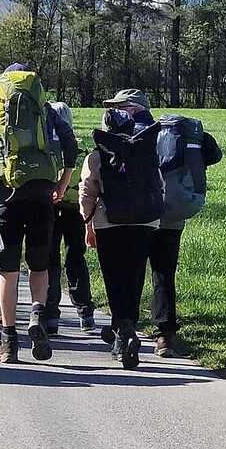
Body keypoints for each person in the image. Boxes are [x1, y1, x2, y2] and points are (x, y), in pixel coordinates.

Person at [100, 88, 223, 357]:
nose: (111, 110)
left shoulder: (129, 131)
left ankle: (123, 328)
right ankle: (165, 336)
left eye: (118, 106)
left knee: (131, 272)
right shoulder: (175, 132)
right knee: (164, 273)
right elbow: (213, 155)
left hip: (141, 217)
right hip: (172, 214)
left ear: (132, 107)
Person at [0, 65, 77, 365]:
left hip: (5, 193)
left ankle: (8, 341)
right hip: (42, 192)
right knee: (39, 265)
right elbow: (71, 144)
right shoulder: (43, 105)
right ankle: (37, 313)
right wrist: (63, 182)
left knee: (8, 270)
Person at [80, 107, 163, 368]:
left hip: (109, 224)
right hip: (145, 223)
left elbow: (86, 192)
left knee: (114, 279)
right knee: (135, 276)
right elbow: (159, 186)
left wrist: (87, 222)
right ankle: (128, 325)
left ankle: (122, 333)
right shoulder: (147, 152)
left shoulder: (96, 156)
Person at [39, 102, 96, 335]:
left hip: (51, 206)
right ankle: (85, 311)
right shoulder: (79, 147)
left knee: (50, 259)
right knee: (76, 258)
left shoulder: (46, 146)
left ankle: (51, 314)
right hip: (75, 209)